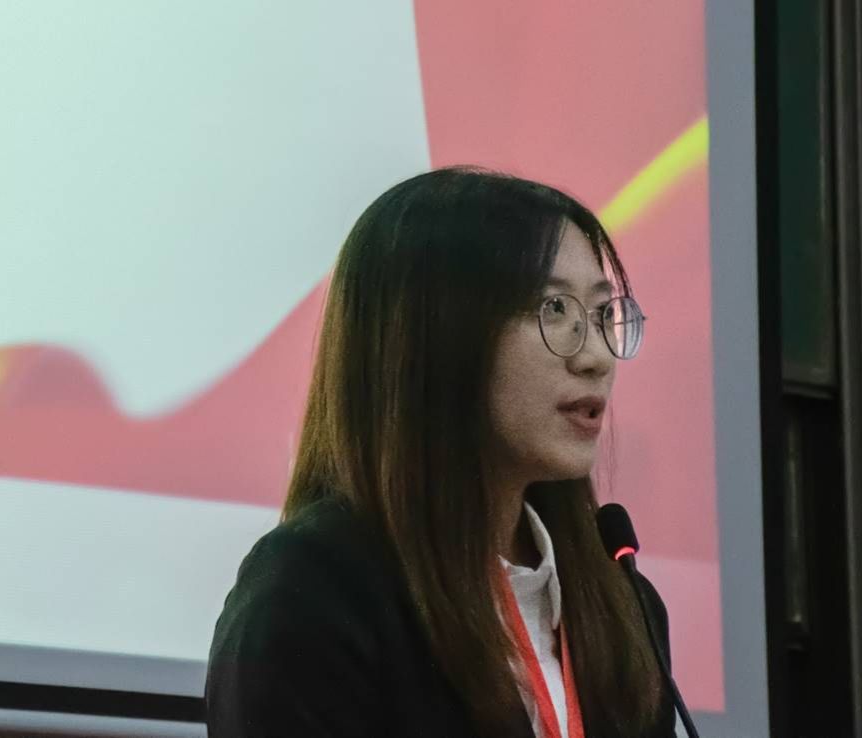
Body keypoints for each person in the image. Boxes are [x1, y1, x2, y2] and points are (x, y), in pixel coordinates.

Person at [205, 167, 676, 737]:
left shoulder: (625, 607)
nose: (597, 356)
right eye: (555, 309)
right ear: (434, 334)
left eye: (602, 314)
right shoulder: (314, 594)